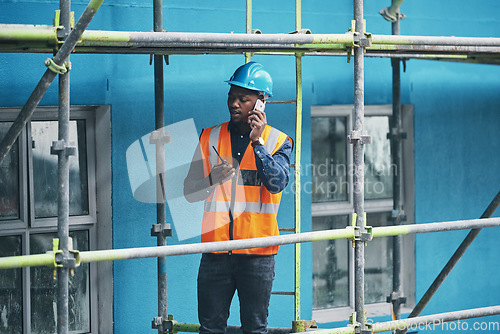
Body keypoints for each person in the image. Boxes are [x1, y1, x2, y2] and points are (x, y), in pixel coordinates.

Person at [183, 61, 293, 334]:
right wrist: (211, 179)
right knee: (210, 328)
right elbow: (189, 192)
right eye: (231, 97)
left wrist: (258, 143)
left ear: (260, 104)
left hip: (257, 254)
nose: (234, 104)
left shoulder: (279, 141)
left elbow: (277, 183)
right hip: (215, 253)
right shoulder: (210, 136)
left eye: (243, 99)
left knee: (254, 329)